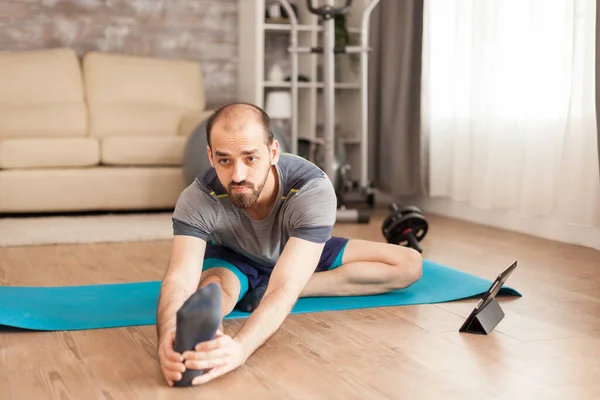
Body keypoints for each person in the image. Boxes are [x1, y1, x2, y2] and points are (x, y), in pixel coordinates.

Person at [156, 102, 423, 386]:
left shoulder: (311, 188)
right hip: (235, 257)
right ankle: (217, 328)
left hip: (297, 248)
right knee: (211, 290)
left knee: (409, 264)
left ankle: (271, 290)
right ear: (210, 156)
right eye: (225, 160)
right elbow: (180, 278)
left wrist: (241, 349)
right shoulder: (198, 196)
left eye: (250, 158)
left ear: (273, 153)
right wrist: (169, 335)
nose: (238, 175)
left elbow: (284, 287)